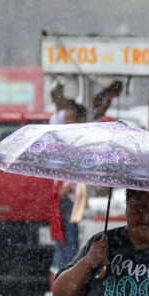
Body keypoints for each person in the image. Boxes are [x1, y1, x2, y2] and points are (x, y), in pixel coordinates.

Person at [50, 102, 88, 276]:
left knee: (70, 240)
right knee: (61, 240)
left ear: (81, 120)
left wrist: (68, 187)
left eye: (70, 119)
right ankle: (60, 276)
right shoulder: (63, 141)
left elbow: (79, 169)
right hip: (59, 198)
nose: (67, 123)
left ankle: (67, 275)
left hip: (71, 199)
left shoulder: (81, 143)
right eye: (65, 119)